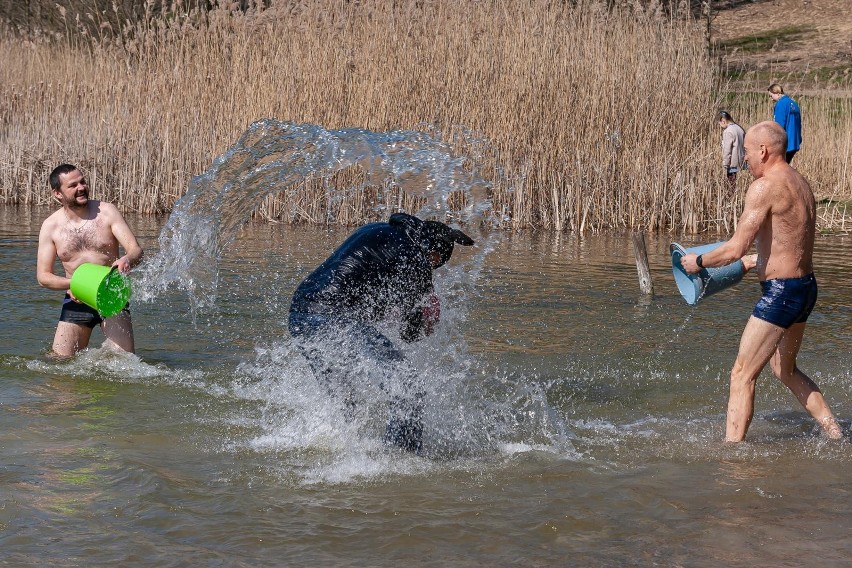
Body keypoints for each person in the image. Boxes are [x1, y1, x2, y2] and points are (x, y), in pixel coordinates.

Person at [680, 121, 842, 442]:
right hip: (805, 288)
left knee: (741, 375)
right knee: (785, 370)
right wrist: (756, 262)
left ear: (764, 151)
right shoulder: (801, 184)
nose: (746, 160)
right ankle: (836, 434)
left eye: (748, 153)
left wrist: (697, 261)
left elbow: (735, 246)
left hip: (781, 294)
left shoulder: (764, 186)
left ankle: (733, 455)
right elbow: (790, 243)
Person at [288, 212, 474, 453]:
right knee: (409, 387)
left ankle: (336, 452)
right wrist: (427, 313)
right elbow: (411, 333)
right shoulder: (414, 255)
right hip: (332, 319)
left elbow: (355, 288)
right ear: (429, 250)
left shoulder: (377, 229)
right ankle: (398, 462)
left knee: (345, 404)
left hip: (300, 314)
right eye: (434, 261)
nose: (431, 267)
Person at [37, 164, 144, 358]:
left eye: (83, 181)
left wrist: (126, 259)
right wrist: (74, 284)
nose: (81, 187)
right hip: (76, 298)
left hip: (111, 294)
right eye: (73, 185)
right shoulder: (50, 226)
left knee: (125, 366)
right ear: (58, 194)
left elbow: (136, 250)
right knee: (59, 364)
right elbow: (43, 277)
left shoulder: (107, 212)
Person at [768, 84, 802, 164]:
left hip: (785, 144)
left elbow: (779, 126)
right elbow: (799, 124)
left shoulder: (781, 104)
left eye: (771, 96)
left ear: (777, 93)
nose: (771, 99)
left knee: (779, 169)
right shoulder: (794, 104)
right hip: (794, 142)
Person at [718, 111, 745, 192]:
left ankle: (731, 199)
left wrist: (725, 164)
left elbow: (727, 150)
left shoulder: (728, 131)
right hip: (741, 160)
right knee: (735, 182)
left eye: (720, 123)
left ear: (723, 120)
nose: (720, 126)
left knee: (731, 186)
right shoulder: (739, 128)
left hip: (732, 163)